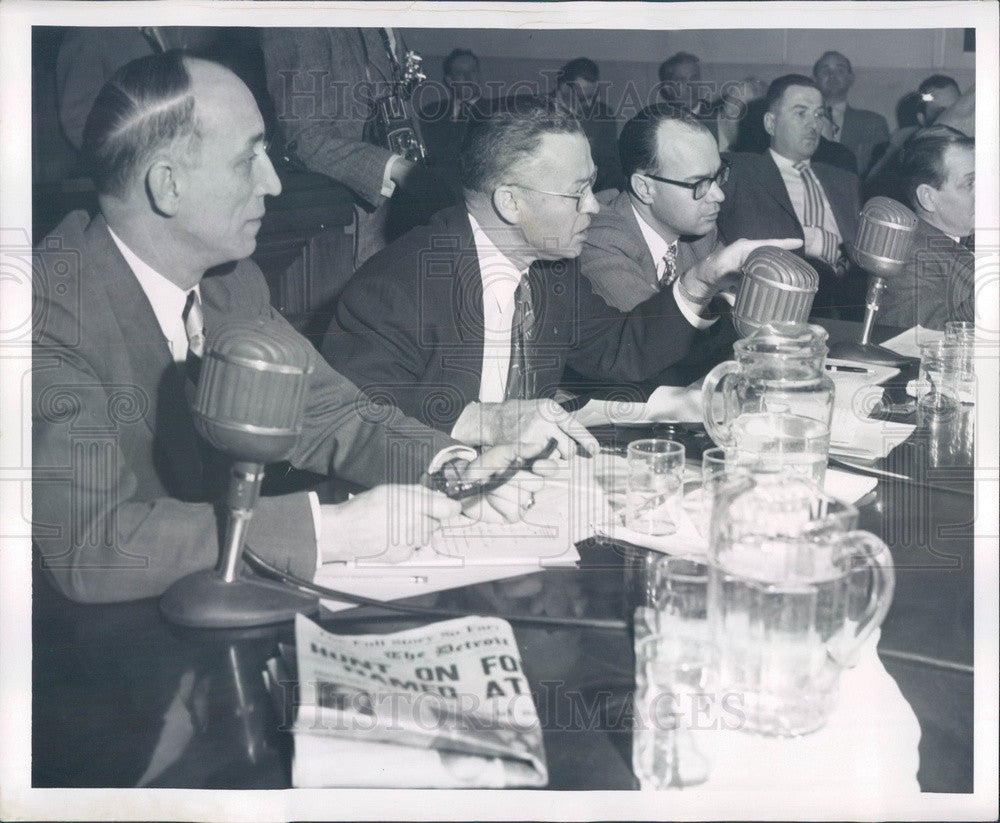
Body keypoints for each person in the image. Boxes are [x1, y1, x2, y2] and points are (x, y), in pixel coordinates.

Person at [32, 52, 546, 604]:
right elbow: (95, 548)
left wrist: (453, 466)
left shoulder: (231, 283)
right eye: (246, 159)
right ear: (167, 186)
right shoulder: (41, 311)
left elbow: (332, 414)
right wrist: (334, 530)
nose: (273, 183)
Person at [321, 97, 745, 443]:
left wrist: (699, 282)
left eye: (592, 186)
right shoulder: (398, 282)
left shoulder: (549, 271)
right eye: (578, 192)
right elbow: (353, 414)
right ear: (510, 202)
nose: (594, 206)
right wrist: (486, 422)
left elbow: (619, 350)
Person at [578, 104, 799, 384]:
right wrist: (714, 290)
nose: (718, 195)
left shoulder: (698, 231)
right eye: (699, 183)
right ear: (645, 188)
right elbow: (652, 344)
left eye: (718, 176)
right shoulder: (600, 236)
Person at [261, 28, 442, 267]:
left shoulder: (390, 24)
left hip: (400, 214)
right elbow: (304, 139)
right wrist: (397, 168)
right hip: (346, 221)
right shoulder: (302, 20)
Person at [718, 74, 863, 318]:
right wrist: (811, 241)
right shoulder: (740, 172)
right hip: (778, 301)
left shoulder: (843, 179)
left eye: (819, 114)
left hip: (847, 303)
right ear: (771, 124)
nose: (814, 124)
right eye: (800, 113)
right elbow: (737, 239)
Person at [876, 127, 975, 330]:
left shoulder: (966, 232)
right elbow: (919, 341)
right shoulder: (910, 256)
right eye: (970, 183)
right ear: (929, 198)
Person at [812, 50, 890, 177]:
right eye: (825, 71)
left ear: (851, 78)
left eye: (840, 71)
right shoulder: (804, 119)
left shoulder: (873, 122)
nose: (832, 75)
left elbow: (878, 171)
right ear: (814, 79)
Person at [553, 57, 624, 193]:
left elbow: (610, 166)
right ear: (563, 87)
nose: (590, 103)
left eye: (593, 95)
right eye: (582, 97)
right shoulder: (536, 109)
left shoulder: (603, 115)